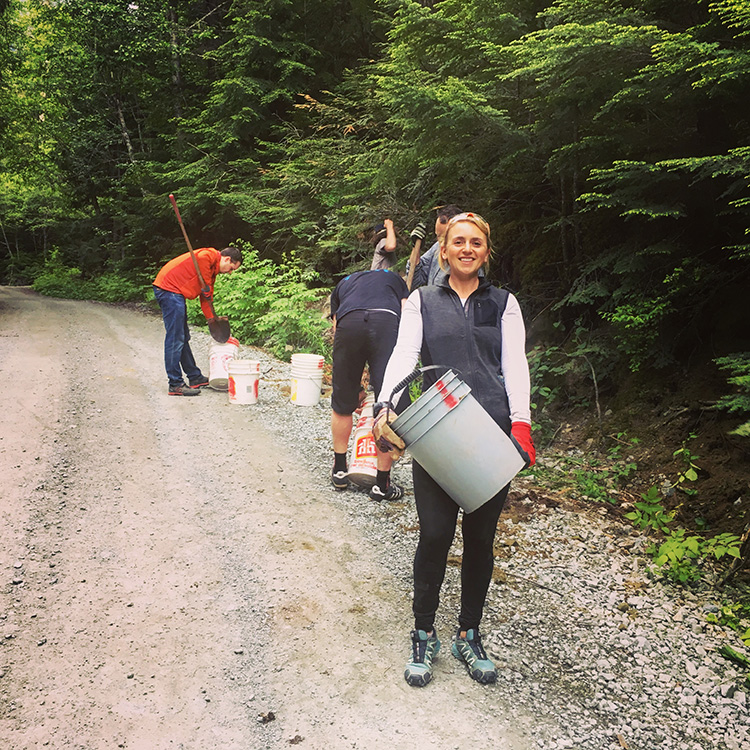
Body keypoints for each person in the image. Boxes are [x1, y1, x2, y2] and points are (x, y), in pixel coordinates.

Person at [373, 212, 535, 687]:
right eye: (458, 242)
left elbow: (515, 365)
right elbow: (404, 355)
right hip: (439, 429)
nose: (467, 249)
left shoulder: (504, 303)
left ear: (486, 251)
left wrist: (521, 425)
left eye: (476, 243)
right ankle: (424, 630)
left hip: (492, 432)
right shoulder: (421, 300)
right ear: (442, 251)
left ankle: (469, 631)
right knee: (436, 534)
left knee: (480, 540)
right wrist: (384, 404)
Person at [329, 268, 409, 500]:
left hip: (349, 321)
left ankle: (340, 470)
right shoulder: (395, 279)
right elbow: (405, 313)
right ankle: (382, 484)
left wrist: (355, 387)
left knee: (342, 403)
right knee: (388, 402)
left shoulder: (343, 283)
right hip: (386, 319)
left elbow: (337, 328)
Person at [153, 246, 242, 396]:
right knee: (175, 338)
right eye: (232, 267)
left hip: (175, 293)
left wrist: (212, 320)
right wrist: (205, 286)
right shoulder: (207, 256)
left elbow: (206, 298)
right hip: (169, 289)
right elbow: (202, 266)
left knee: (183, 337)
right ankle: (175, 384)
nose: (230, 272)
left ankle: (195, 377)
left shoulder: (212, 271)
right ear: (227, 259)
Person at [410, 204, 462, 289]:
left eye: (444, 237)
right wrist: (415, 249)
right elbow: (415, 280)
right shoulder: (437, 248)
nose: (440, 243)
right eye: (438, 236)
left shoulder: (468, 261)